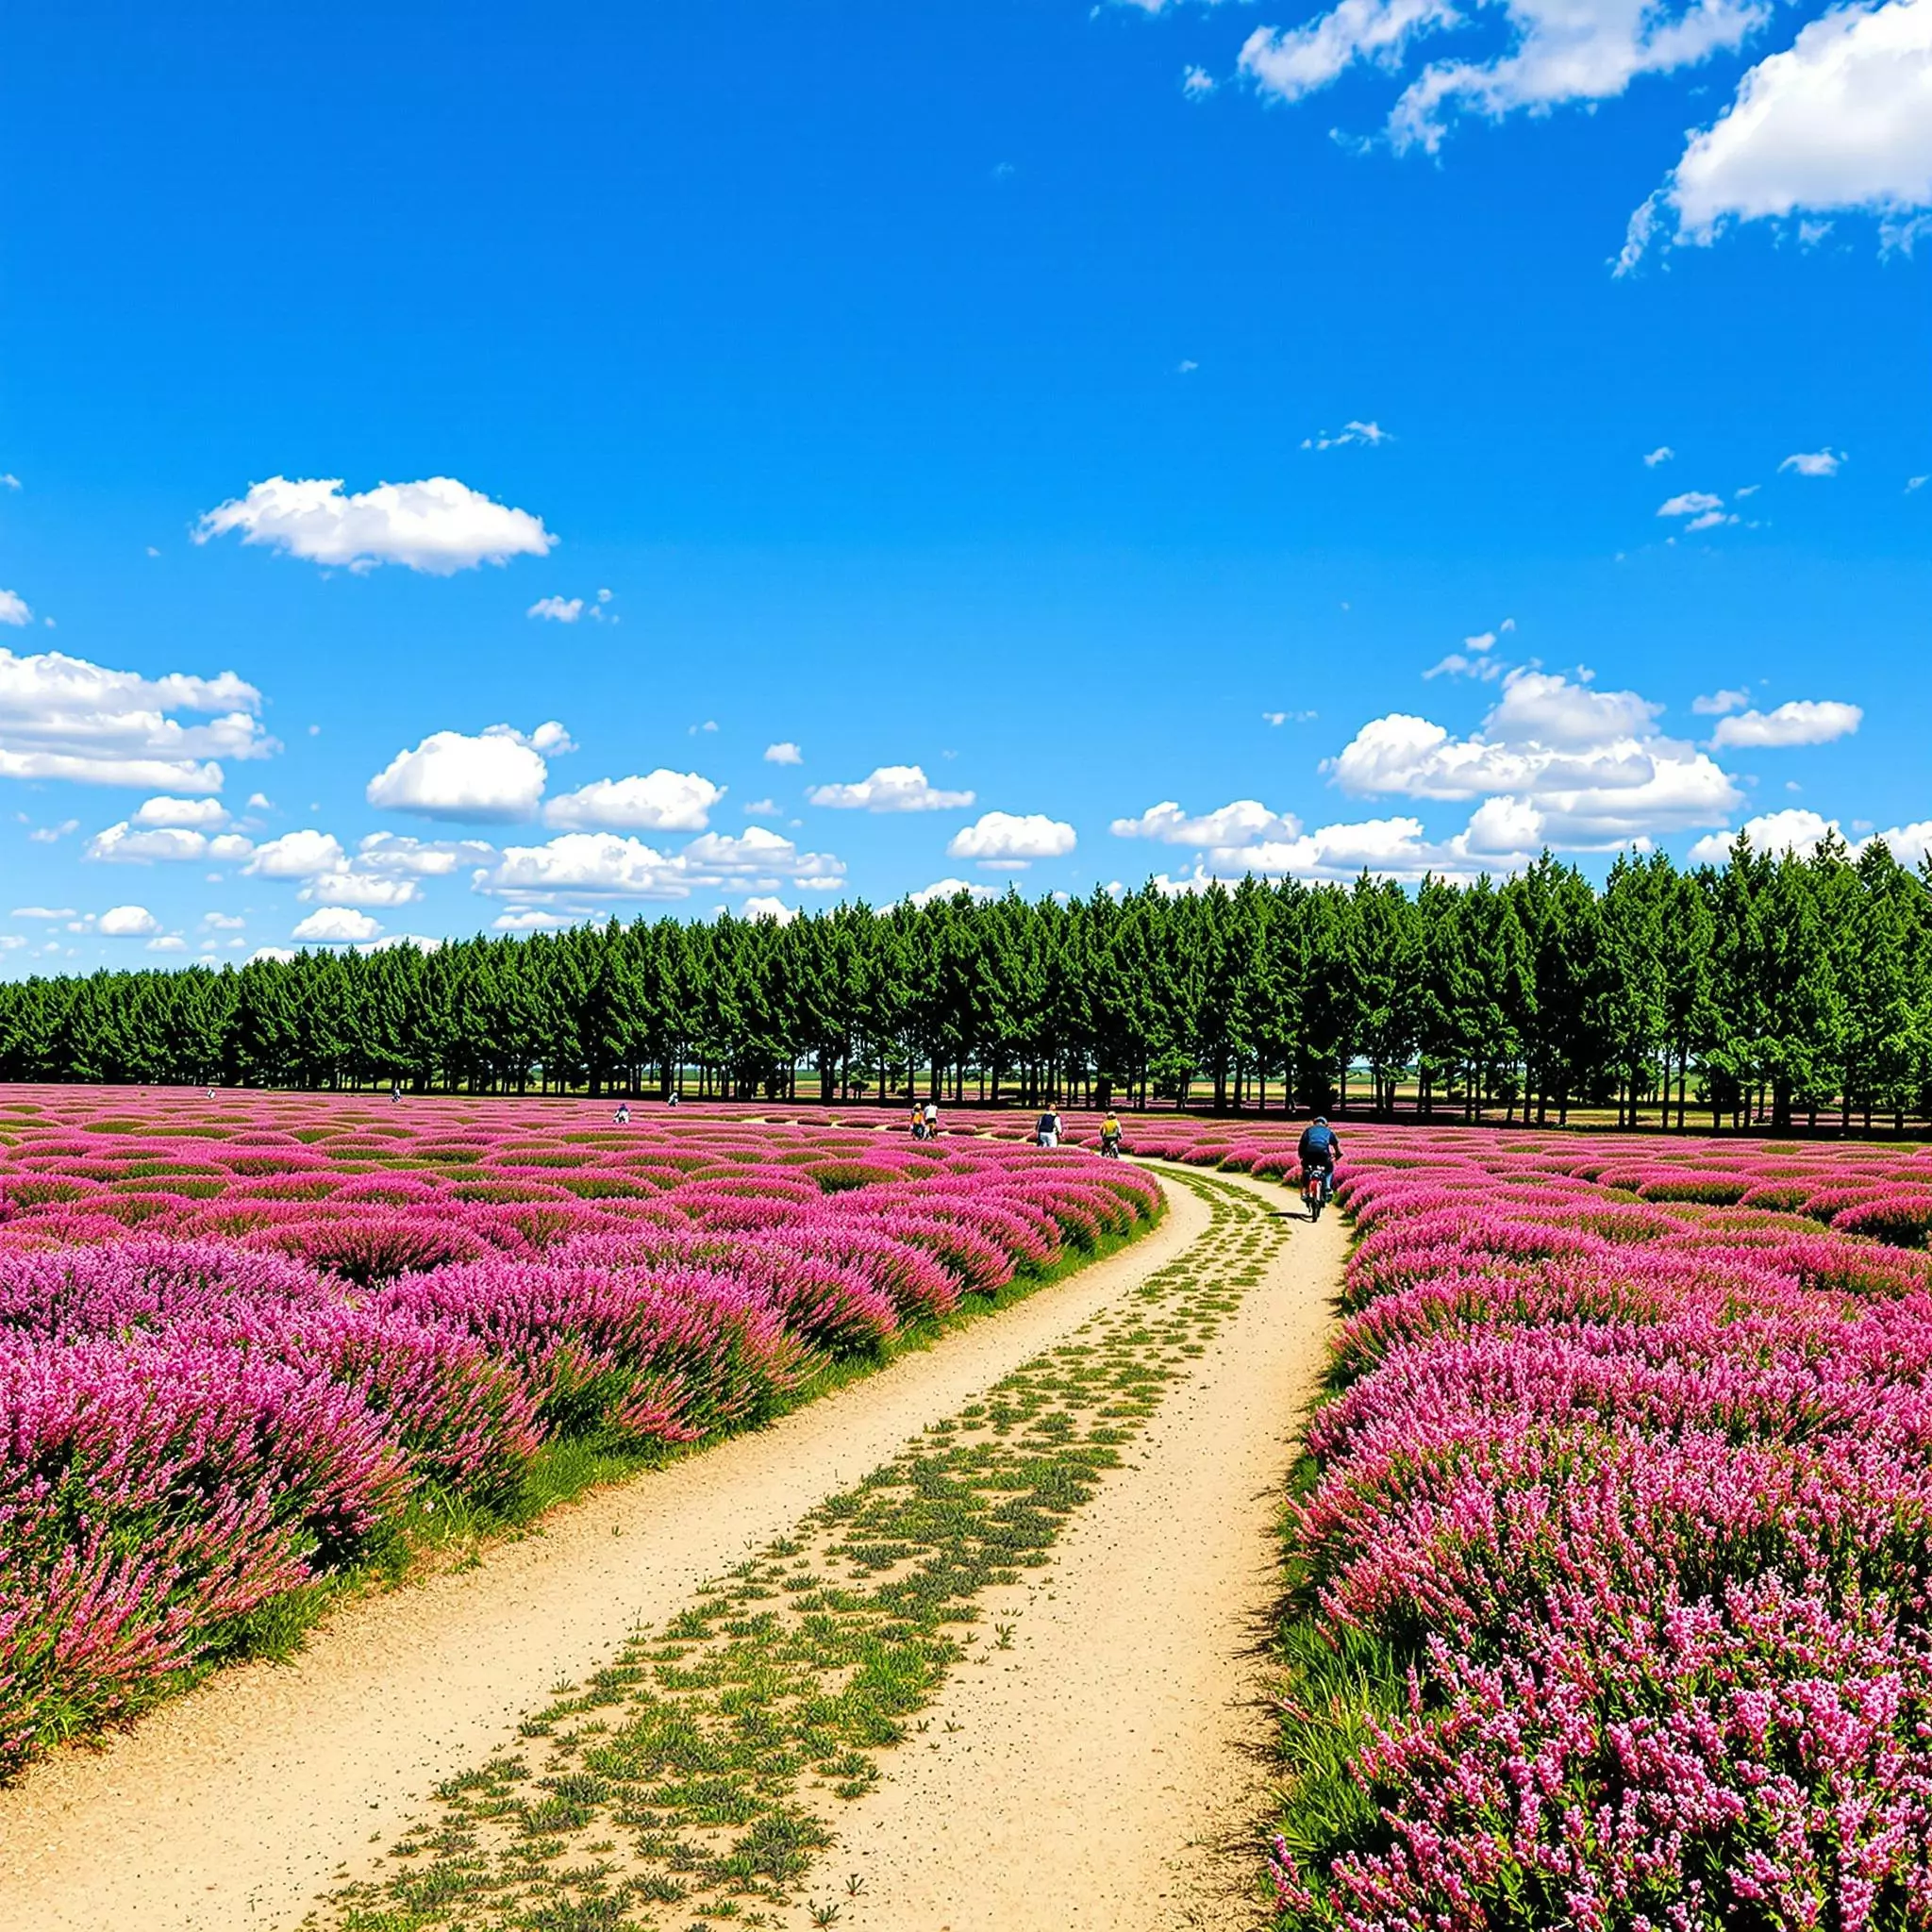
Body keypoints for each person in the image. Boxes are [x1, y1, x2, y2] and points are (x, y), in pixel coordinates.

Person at [1297, 1115, 1341, 1206]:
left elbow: (1301, 1146)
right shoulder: (1329, 1132)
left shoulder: (1308, 1130)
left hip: (1309, 1155)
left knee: (1306, 1169)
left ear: (1314, 1123)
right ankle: (1328, 1187)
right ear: (1326, 1124)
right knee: (1329, 1168)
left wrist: (1302, 1157)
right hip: (1323, 1155)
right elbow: (1337, 1149)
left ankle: (1305, 1190)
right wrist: (1337, 1155)